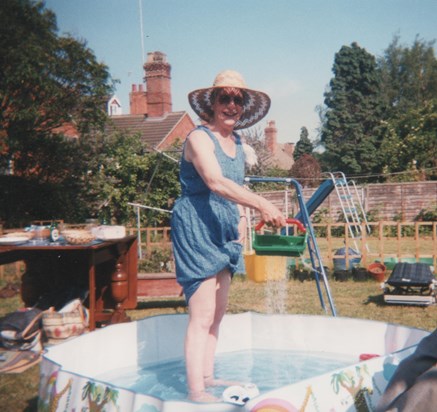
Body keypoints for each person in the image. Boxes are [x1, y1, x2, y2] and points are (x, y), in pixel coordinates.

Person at [170, 70, 285, 402]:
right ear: (212, 103)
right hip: (196, 226)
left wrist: (243, 215)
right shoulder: (198, 138)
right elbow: (215, 182)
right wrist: (262, 203)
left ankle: (207, 377)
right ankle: (194, 392)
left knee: (218, 313)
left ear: (244, 107)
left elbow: (235, 187)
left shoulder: (237, 142)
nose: (231, 105)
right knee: (202, 314)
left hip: (224, 228)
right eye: (225, 98)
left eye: (238, 99)